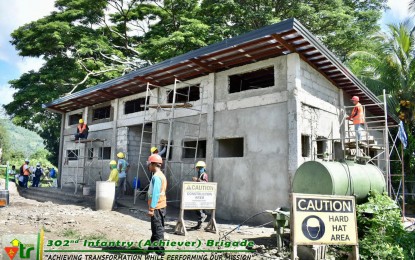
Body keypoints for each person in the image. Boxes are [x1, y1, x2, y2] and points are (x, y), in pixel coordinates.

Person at [147, 154, 167, 255]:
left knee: (158, 229)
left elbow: (155, 194)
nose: (148, 166)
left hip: (157, 207)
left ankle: (160, 252)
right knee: (156, 228)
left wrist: (152, 208)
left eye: (149, 164)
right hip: (160, 206)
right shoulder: (161, 175)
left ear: (153, 164)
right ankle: (151, 248)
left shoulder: (157, 177)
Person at [192, 161, 208, 229]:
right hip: (198, 194)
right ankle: (199, 224)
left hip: (202, 195)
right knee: (197, 209)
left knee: (200, 209)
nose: (197, 169)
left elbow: (205, 183)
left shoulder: (204, 175)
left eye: (198, 168)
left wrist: (197, 180)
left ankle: (203, 216)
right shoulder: (200, 174)